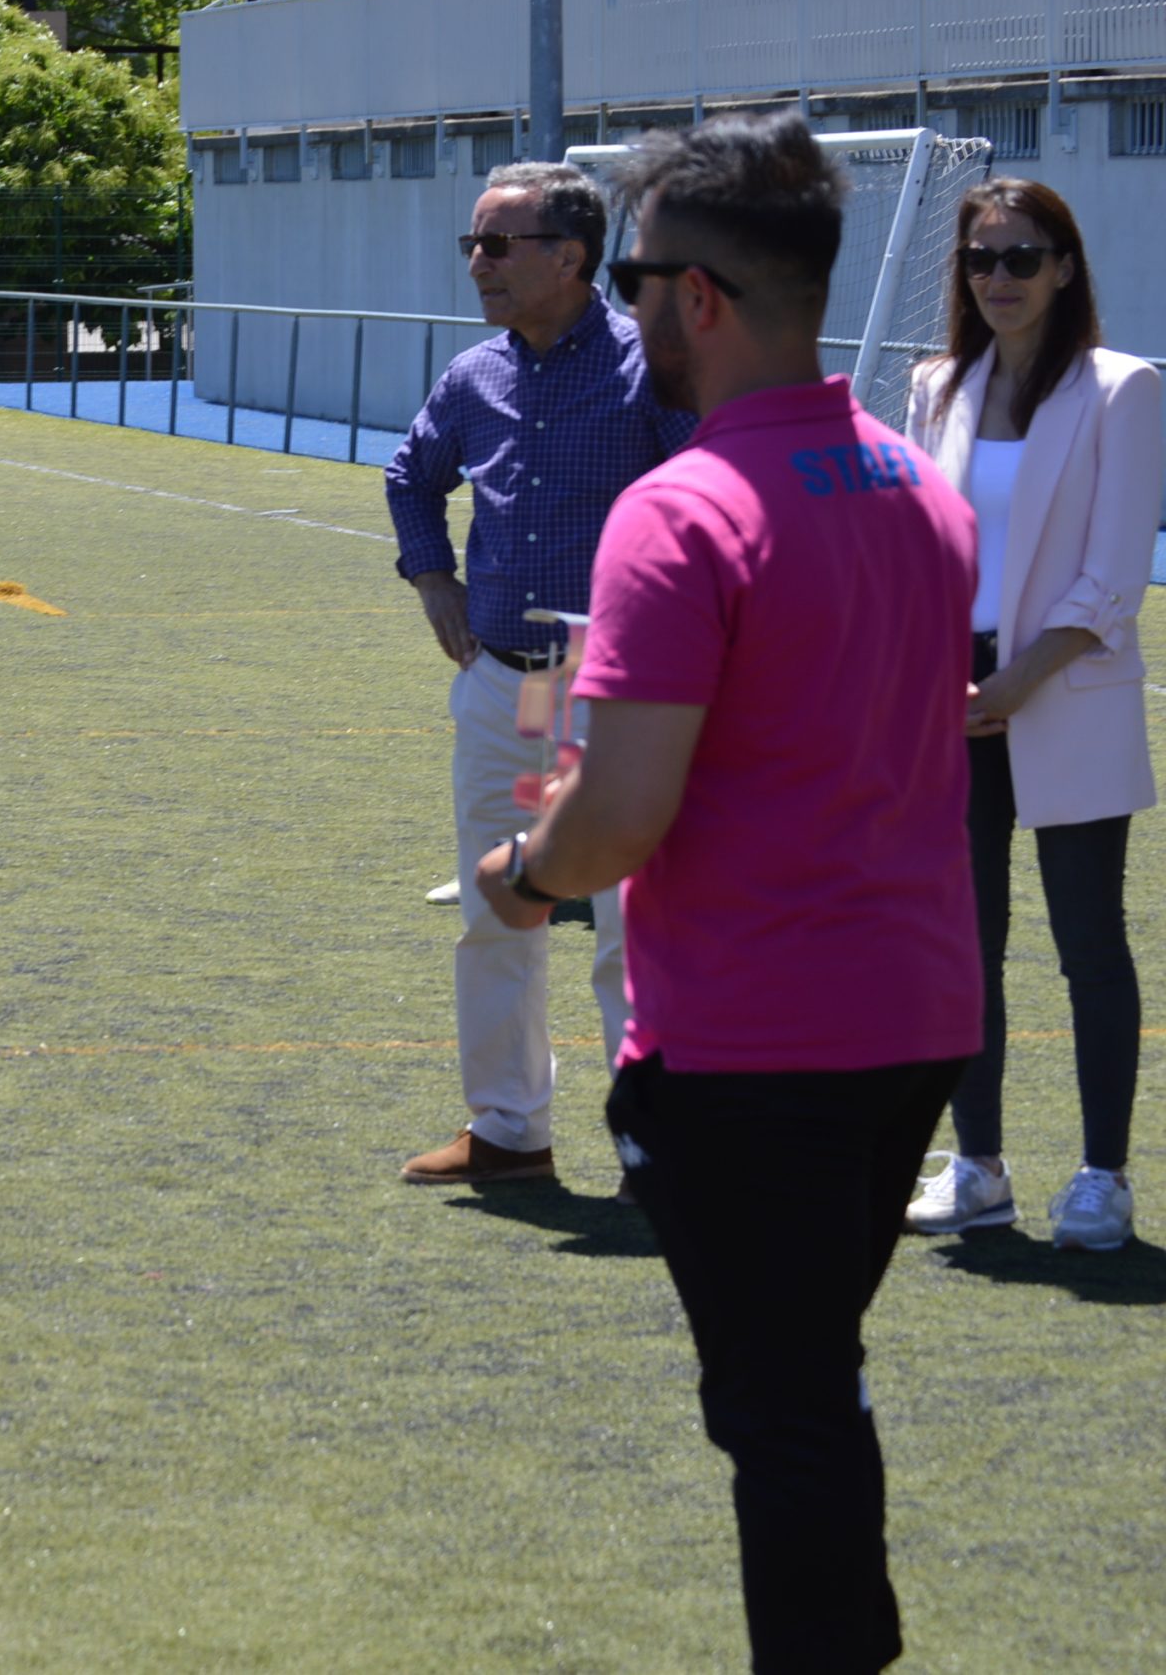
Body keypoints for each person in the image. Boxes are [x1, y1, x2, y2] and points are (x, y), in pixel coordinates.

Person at [478, 113, 979, 1671]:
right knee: (803, 1379)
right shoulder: (918, 482)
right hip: (917, 1015)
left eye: (630, 284)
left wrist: (521, 871)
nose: (624, 318)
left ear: (697, 297)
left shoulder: (682, 507)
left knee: (781, 1408)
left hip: (763, 1037)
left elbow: (618, 815)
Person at [385, 161, 694, 1185]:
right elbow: (410, 474)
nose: (477, 262)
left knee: (630, 922)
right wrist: (431, 577)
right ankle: (509, 1130)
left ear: (570, 255)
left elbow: (711, 494)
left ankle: (655, 1139)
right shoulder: (472, 375)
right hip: (502, 686)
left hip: (621, 689)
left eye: (496, 243)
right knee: (496, 911)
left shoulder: (650, 366)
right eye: (471, 243)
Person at [902, 178, 1163, 1251]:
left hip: (1061, 690)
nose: (999, 278)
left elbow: (1110, 581)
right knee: (964, 945)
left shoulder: (1122, 388)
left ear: (1064, 266)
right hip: (947, 699)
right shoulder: (935, 385)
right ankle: (978, 1166)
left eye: (1022, 256)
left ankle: (1100, 1176)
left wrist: (1011, 686)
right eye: (980, 258)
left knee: (1088, 944)